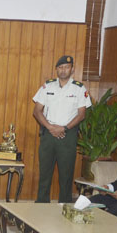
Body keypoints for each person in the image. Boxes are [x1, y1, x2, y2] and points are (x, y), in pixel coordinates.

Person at [32, 55, 92, 203]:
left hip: (68, 135)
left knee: (66, 174)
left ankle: (64, 205)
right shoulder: (48, 86)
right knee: (45, 173)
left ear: (72, 69)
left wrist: (64, 128)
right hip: (48, 133)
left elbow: (81, 114)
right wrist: (50, 127)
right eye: (60, 67)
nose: (63, 70)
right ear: (56, 69)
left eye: (66, 67)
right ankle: (41, 205)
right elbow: (37, 111)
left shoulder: (79, 88)